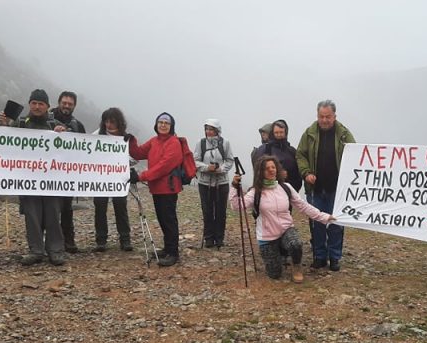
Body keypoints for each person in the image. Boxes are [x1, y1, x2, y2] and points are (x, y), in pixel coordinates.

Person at [230, 155, 334, 283]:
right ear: (260, 172)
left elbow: (303, 206)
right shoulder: (255, 192)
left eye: (273, 167)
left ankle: (296, 266)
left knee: (295, 244)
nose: (271, 170)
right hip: (267, 236)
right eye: (267, 168)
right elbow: (236, 206)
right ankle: (278, 251)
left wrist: (325, 216)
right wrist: (234, 186)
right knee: (275, 274)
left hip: (286, 229)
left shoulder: (286, 188)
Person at [0, 89, 68, 266]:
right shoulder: (20, 123)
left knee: (53, 215)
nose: (37, 107)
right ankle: (36, 251)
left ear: (47, 106)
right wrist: (4, 126)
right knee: (32, 215)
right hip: (27, 180)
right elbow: (4, 143)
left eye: (41, 104)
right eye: (34, 103)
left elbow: (70, 145)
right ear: (29, 104)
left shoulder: (55, 124)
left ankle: (55, 251)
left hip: (52, 180)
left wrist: (63, 132)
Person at [296, 100, 355, 272]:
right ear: (317, 116)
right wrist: (306, 173)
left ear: (334, 116)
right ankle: (319, 256)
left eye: (328, 116)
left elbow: (356, 155)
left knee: (336, 223)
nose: (324, 120)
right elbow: (300, 155)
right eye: (321, 116)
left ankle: (335, 257)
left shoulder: (344, 134)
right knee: (316, 223)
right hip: (315, 189)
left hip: (338, 189)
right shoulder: (309, 133)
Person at [127, 112, 183, 267]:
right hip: (157, 188)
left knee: (169, 220)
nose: (163, 125)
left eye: (166, 123)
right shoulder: (154, 141)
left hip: (169, 188)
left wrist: (141, 176)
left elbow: (163, 167)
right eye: (160, 122)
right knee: (162, 219)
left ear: (171, 126)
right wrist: (131, 140)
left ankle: (173, 253)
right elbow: (137, 152)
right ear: (156, 125)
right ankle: (167, 248)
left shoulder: (174, 143)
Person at [51, 91, 86, 254]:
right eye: (64, 102)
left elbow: (86, 148)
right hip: (46, 172)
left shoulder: (78, 125)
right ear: (58, 102)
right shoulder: (46, 119)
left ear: (74, 106)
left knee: (66, 208)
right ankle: (50, 243)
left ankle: (69, 241)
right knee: (49, 210)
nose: (66, 106)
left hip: (67, 174)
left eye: (70, 104)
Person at [93, 108, 132, 252]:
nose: (109, 125)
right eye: (106, 121)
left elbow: (134, 158)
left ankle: (125, 238)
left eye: (112, 121)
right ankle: (101, 240)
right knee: (100, 207)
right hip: (100, 178)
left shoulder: (126, 137)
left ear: (119, 122)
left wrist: (124, 161)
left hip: (118, 179)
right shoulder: (96, 135)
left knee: (120, 207)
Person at [193, 118, 234, 248]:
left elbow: (229, 160)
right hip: (205, 183)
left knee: (221, 211)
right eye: (207, 129)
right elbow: (195, 161)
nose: (208, 132)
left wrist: (220, 169)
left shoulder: (225, 143)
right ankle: (209, 238)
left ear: (217, 130)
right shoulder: (200, 143)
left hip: (221, 182)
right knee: (207, 210)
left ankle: (219, 238)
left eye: (211, 129)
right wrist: (206, 168)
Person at [252, 120, 302, 192]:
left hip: (290, 191)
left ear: (286, 132)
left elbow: (298, 172)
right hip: (269, 191)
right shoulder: (265, 149)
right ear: (272, 133)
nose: (279, 135)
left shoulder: (292, 151)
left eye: (281, 132)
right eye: (276, 132)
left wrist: (289, 175)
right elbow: (258, 171)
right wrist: (278, 174)